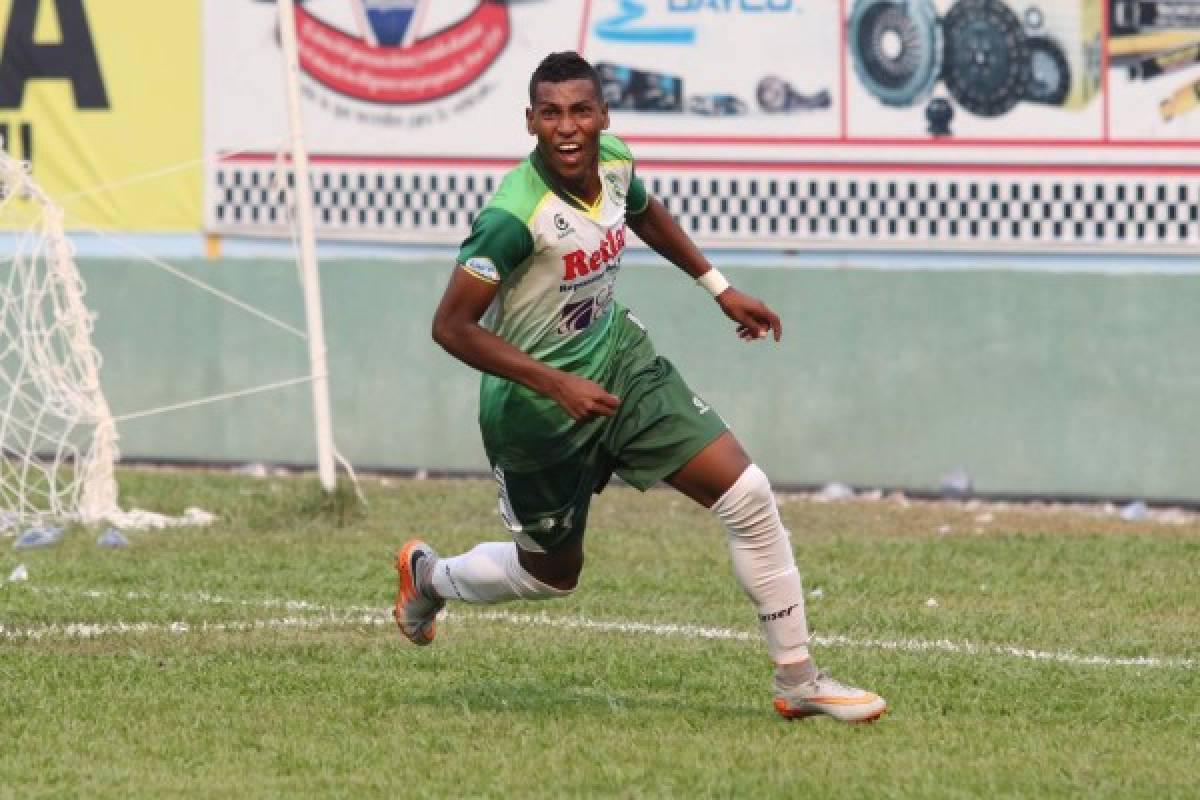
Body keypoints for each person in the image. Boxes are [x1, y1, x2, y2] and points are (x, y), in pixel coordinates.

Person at [394, 51, 886, 723]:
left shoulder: (616, 160)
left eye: (581, 111)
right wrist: (555, 383)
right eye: (551, 114)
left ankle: (798, 679)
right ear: (530, 122)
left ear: (602, 115)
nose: (569, 128)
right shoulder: (513, 215)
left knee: (747, 494)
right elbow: (450, 327)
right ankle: (430, 578)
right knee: (551, 575)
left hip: (622, 365)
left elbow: (644, 212)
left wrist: (718, 288)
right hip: (536, 414)